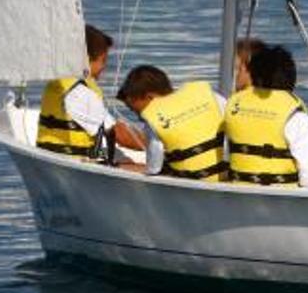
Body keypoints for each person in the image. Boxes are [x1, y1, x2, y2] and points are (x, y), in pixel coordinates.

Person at [36, 25, 144, 160]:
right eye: (103, 60)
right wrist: (159, 145)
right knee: (144, 168)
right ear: (87, 59)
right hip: (75, 162)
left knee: (124, 159)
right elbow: (120, 136)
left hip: (52, 155)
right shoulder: (80, 93)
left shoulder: (59, 82)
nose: (104, 67)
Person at [224, 45, 308, 187]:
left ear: (253, 76)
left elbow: (226, 157)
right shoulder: (296, 117)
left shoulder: (232, 106)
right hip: (284, 201)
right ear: (292, 79)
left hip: (238, 195)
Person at [115, 65, 228, 181]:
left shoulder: (153, 120)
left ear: (150, 97)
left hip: (192, 186)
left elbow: (153, 170)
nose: (139, 117)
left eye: (136, 111)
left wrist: (123, 167)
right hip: (228, 177)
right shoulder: (212, 96)